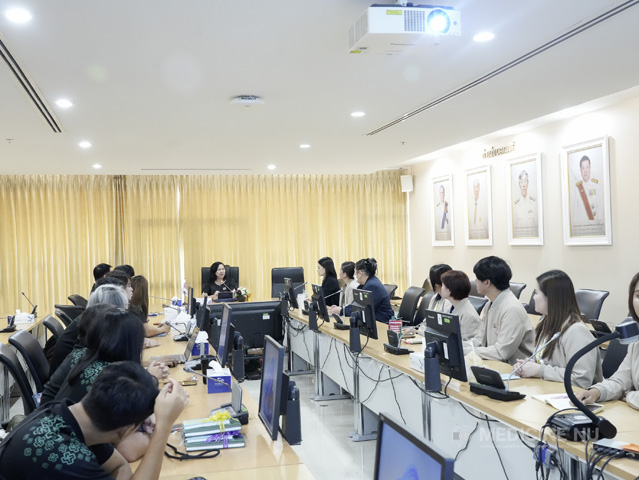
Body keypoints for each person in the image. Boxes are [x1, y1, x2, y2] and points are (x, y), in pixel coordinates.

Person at [0, 361, 188, 480]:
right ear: (126, 431)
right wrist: (163, 427)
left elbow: (120, 465)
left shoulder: (69, 415)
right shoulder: (68, 456)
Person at [514, 270, 602, 389]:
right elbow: (541, 361)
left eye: (536, 293)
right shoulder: (547, 322)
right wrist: (526, 366)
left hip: (573, 395)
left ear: (551, 297)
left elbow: (581, 380)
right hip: (547, 389)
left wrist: (540, 370)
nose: (533, 297)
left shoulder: (576, 331)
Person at [41, 308, 147, 406]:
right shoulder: (108, 377)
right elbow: (132, 408)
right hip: (57, 415)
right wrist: (150, 379)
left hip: (47, 411)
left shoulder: (86, 354)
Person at [577, 272, 639, 410]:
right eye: (638, 296)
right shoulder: (636, 341)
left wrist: (629, 395)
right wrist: (596, 392)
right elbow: (621, 379)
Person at [466, 256, 534, 364]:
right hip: (494, 362)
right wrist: (460, 346)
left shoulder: (512, 309)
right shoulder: (490, 304)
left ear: (487, 282)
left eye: (477, 278)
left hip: (513, 368)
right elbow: (479, 339)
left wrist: (469, 351)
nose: (475, 281)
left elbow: (502, 352)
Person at [50, 283, 129, 374]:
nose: (126, 310)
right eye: (124, 306)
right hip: (70, 376)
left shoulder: (89, 319)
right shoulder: (93, 326)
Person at [341, 258, 394, 323]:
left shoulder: (372, 286)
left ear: (360, 273)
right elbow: (355, 305)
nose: (354, 275)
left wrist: (341, 311)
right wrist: (342, 308)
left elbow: (361, 310)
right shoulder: (365, 284)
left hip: (381, 323)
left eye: (355, 273)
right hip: (371, 321)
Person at [439, 270, 480, 341]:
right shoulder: (451, 307)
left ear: (449, 290)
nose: (441, 288)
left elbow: (467, 344)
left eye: (442, 285)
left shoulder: (469, 316)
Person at [571, 155, 602, 228]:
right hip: (582, 227)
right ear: (580, 170)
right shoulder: (577, 189)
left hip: (594, 227)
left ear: (590, 168)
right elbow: (575, 213)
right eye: (583, 168)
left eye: (587, 167)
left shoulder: (596, 186)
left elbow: (600, 209)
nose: (585, 171)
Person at [512, 169, 538, 236]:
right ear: (519, 184)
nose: (523, 184)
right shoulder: (516, 204)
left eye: (525, 181)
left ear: (528, 182)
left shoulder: (533, 202)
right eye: (521, 181)